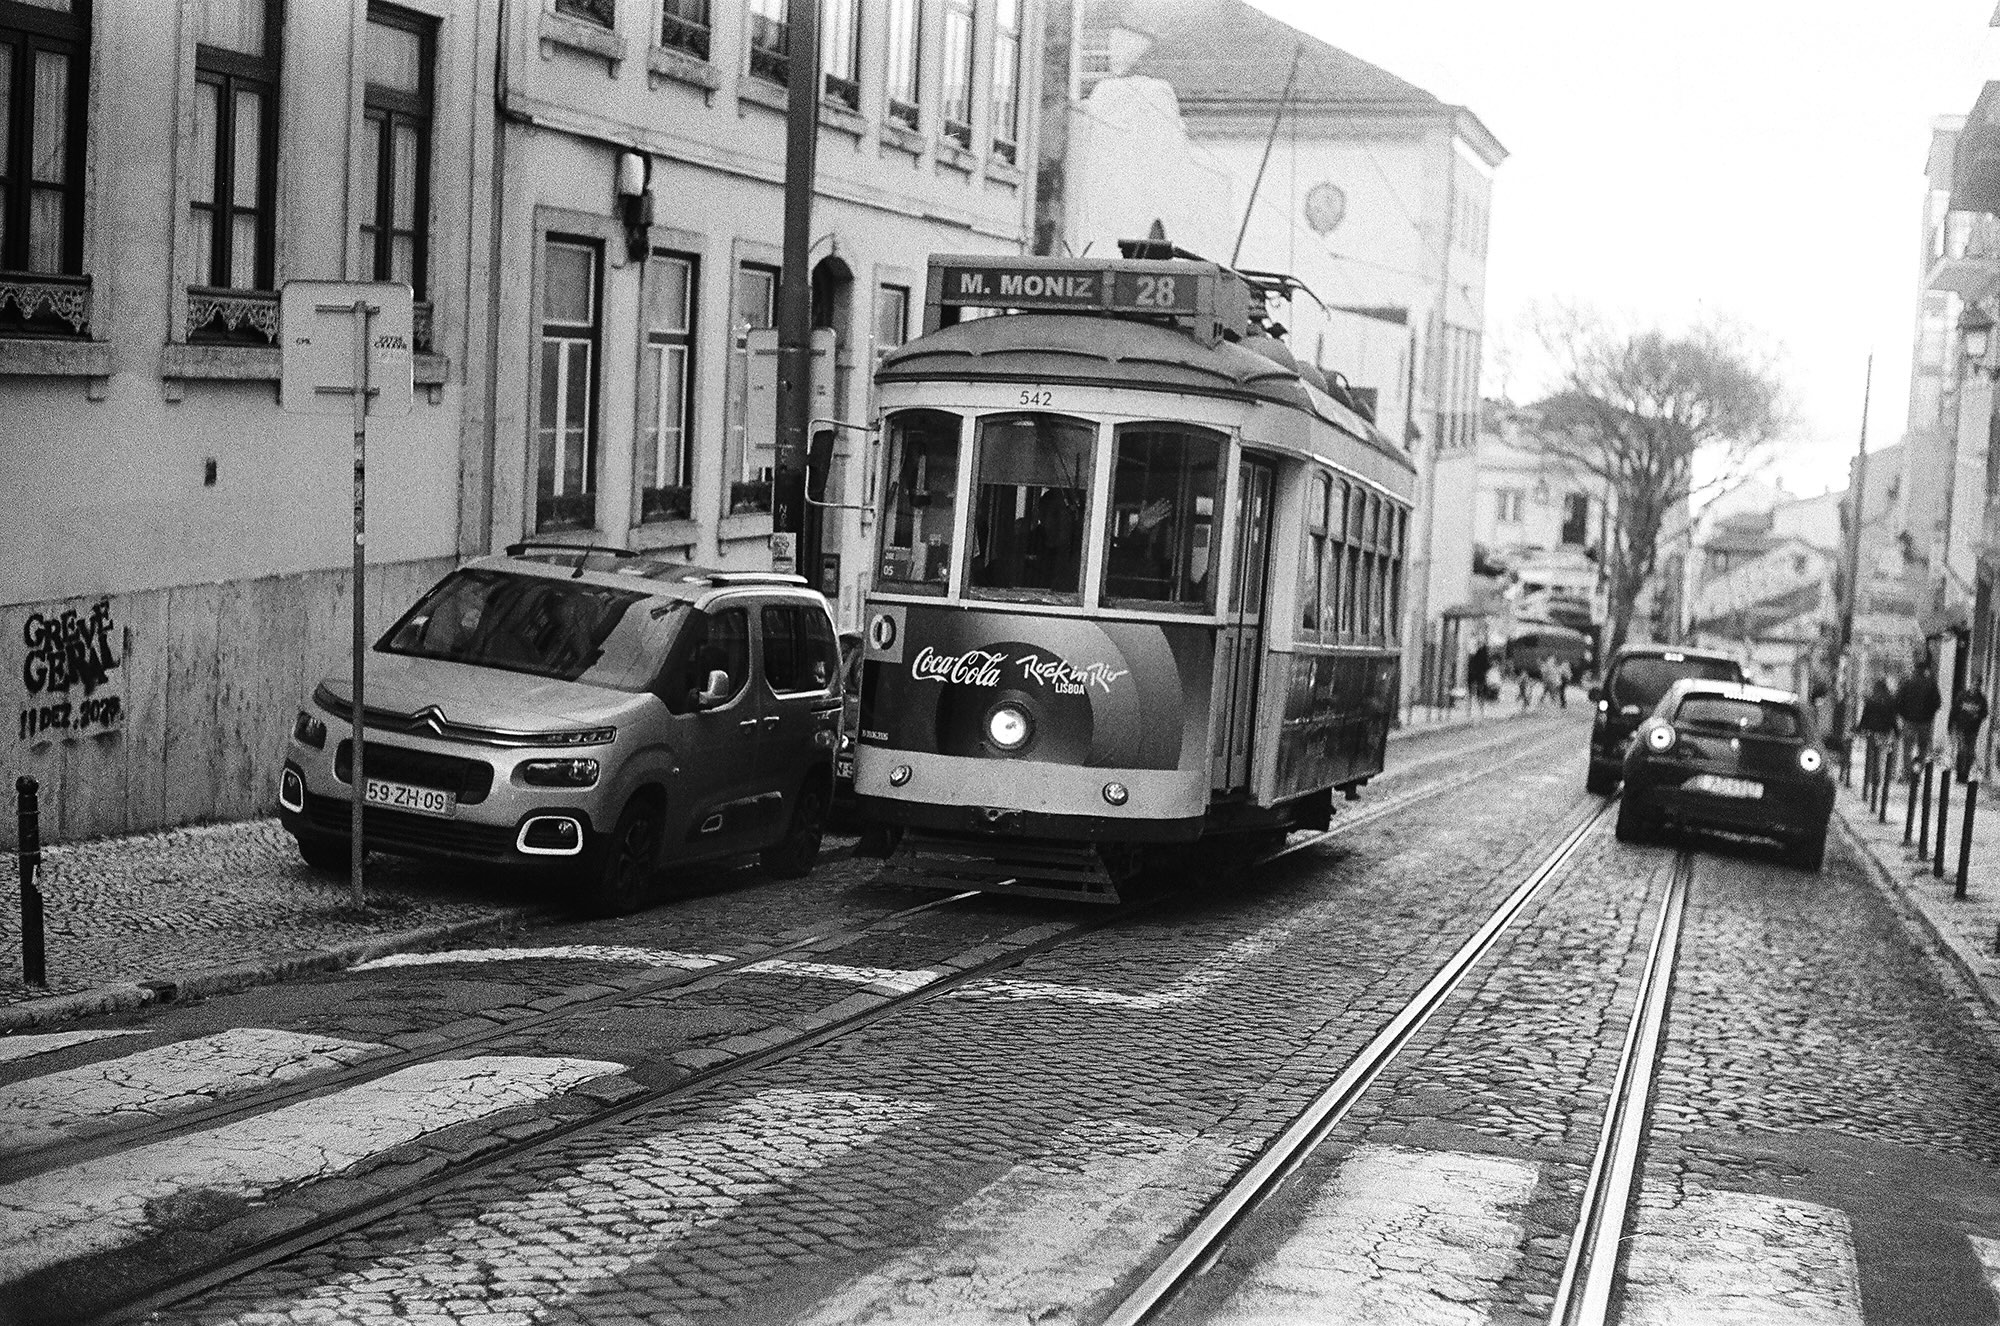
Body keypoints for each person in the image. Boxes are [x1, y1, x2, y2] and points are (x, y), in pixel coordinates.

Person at [1894, 658, 1943, 782]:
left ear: (1915, 670)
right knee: (1922, 748)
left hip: (1909, 721)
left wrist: (1904, 715)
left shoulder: (1907, 683)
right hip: (1925, 722)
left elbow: (1898, 701)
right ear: (1925, 670)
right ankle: (1917, 773)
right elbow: (1937, 703)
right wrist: (1929, 715)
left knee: (1907, 748)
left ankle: (1907, 773)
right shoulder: (1931, 684)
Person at [1857, 677, 1898, 800]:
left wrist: (1860, 728)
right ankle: (1878, 776)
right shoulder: (1890, 700)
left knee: (1872, 755)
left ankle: (1871, 778)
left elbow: (1865, 716)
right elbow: (1892, 718)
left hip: (1872, 731)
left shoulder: (1871, 700)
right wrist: (1896, 731)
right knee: (1881, 755)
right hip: (1884, 732)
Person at [1949, 681, 1989, 785]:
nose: (1975, 687)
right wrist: (1951, 725)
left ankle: (1965, 775)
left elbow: (1985, 713)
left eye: (1977, 685)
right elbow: (1954, 710)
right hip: (1961, 727)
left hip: (1973, 729)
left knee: (1970, 753)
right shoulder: (1962, 696)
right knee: (1962, 751)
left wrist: (1978, 716)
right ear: (1970, 685)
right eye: (1974, 685)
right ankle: (1959, 775)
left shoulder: (1981, 699)